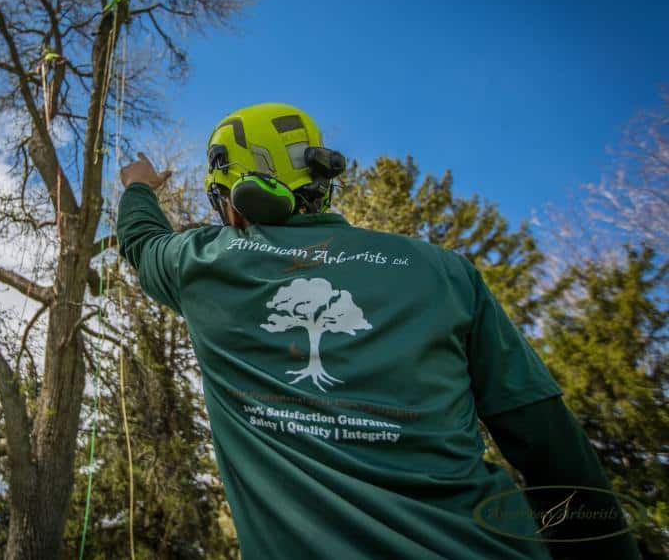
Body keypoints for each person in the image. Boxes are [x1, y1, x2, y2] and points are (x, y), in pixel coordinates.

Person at [116, 103, 641, 560]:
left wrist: (139, 185)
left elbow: (140, 241)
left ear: (235, 195)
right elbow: (552, 448)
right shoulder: (444, 271)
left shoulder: (203, 264)